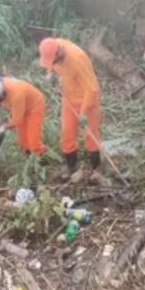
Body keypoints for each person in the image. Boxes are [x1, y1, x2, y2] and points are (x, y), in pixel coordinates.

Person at [37, 37, 105, 184]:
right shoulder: (53, 49)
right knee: (67, 133)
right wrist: (51, 76)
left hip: (87, 99)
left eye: (54, 61)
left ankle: (96, 169)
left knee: (90, 135)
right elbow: (51, 65)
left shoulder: (77, 59)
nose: (53, 64)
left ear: (59, 53)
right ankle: (71, 166)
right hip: (68, 98)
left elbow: (93, 89)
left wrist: (83, 112)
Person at [0, 76, 46, 156]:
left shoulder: (16, 94)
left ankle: (39, 158)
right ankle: (28, 157)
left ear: (3, 90)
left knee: (33, 139)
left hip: (34, 106)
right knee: (22, 141)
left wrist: (3, 127)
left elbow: (16, 120)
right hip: (18, 108)